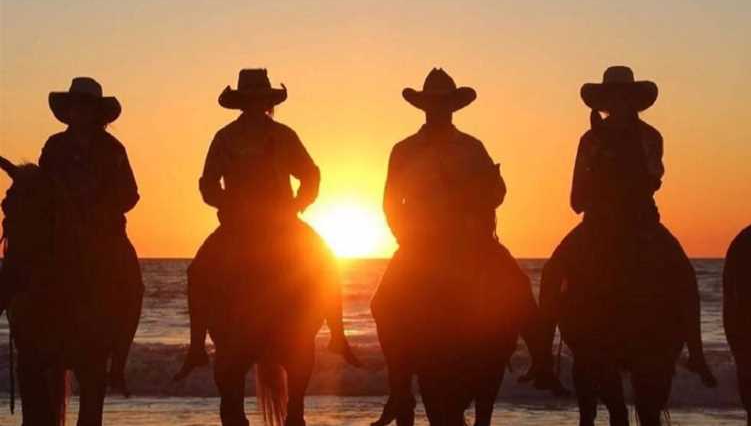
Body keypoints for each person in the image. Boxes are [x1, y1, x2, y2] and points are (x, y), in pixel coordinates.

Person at [371, 68, 556, 424]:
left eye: (444, 104)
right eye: (433, 104)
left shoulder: (472, 147)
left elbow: (497, 194)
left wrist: (485, 191)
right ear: (423, 108)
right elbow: (392, 203)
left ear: (453, 107)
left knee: (517, 287)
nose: (439, 110)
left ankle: (542, 362)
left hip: (473, 242)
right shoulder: (404, 150)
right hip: (421, 245)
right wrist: (406, 238)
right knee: (383, 304)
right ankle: (399, 389)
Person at [175, 68, 356, 380]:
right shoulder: (225, 138)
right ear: (242, 102)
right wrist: (227, 204)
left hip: (282, 223)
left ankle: (338, 336)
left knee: (326, 262)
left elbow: (310, 174)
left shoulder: (284, 135)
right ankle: (196, 347)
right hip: (237, 226)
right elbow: (208, 184)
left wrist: (299, 203)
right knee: (199, 271)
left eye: (261, 99)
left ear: (267, 101)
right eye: (250, 99)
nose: (256, 104)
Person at [539, 65, 715, 385]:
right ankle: (543, 361)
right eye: (613, 97)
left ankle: (697, 354)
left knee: (684, 275)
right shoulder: (591, 140)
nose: (619, 102)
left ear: (633, 100)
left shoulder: (649, 137)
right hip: (600, 223)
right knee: (552, 272)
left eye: (624, 96)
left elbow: (653, 178)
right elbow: (578, 197)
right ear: (606, 100)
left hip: (640, 222)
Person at [36, 77, 143, 394]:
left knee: (133, 286)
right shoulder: (54, 146)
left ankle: (118, 365)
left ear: (97, 113)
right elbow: (41, 187)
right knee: (21, 268)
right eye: (75, 107)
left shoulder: (113, 149)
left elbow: (131, 194)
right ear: (68, 111)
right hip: (59, 231)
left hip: (105, 234)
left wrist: (102, 208)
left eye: (86, 107)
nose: (80, 113)